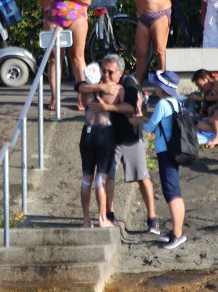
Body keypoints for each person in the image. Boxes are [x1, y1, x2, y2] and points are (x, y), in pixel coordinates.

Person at [78, 54, 160, 235]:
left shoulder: (128, 84)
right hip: (109, 139)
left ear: (120, 72)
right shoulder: (100, 80)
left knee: (141, 176)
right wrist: (101, 86)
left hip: (130, 137)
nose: (105, 75)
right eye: (103, 71)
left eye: (110, 72)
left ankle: (152, 218)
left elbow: (131, 107)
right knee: (107, 177)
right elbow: (80, 86)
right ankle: (109, 214)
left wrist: (106, 108)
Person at [38, 0, 92, 111]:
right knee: (54, 58)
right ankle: (55, 97)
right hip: (53, 18)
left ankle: (81, 95)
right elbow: (41, 1)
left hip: (76, 18)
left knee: (77, 57)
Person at [144, 70, 186, 250]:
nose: (153, 87)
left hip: (166, 152)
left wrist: (138, 119)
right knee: (173, 190)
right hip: (173, 151)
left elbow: (149, 127)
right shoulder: (175, 102)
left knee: (172, 193)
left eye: (156, 84)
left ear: (161, 88)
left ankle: (177, 235)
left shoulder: (162, 104)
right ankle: (176, 232)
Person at [76, 63, 119, 228]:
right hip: (103, 134)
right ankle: (102, 218)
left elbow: (79, 86)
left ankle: (86, 219)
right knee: (101, 179)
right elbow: (125, 103)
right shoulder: (110, 90)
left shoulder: (84, 91)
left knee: (87, 179)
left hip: (87, 134)